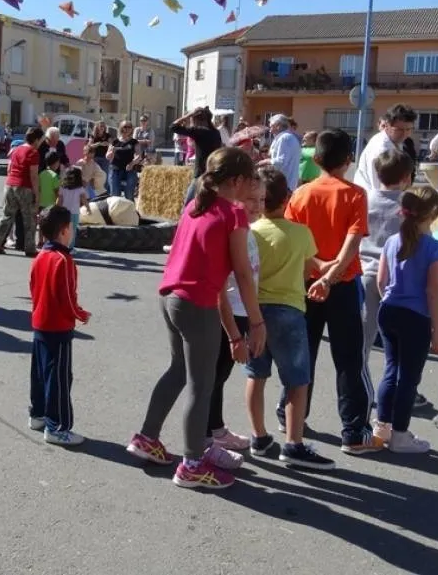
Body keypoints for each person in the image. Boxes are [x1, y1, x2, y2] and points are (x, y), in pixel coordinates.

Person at [127, 148, 265, 490]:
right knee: (201, 385)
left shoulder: (195, 205)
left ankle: (147, 437)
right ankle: (191, 464)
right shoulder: (233, 214)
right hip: (197, 305)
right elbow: (243, 275)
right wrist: (257, 323)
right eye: (250, 180)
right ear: (236, 181)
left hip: (171, 297)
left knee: (178, 370)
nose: (253, 187)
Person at [282, 128, 383, 455]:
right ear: (348, 159)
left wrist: (318, 269)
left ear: (318, 158)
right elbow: (353, 245)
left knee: (303, 354)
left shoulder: (300, 194)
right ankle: (353, 432)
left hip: (305, 281)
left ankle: (290, 416)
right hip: (342, 284)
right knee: (349, 359)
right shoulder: (355, 194)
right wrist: (332, 273)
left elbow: (293, 242)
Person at [245, 168, 336, 470]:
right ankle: (293, 444)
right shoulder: (300, 233)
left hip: (255, 311)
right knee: (297, 381)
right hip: (289, 310)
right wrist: (331, 267)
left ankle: (258, 436)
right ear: (287, 198)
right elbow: (312, 266)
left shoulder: (251, 232)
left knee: (256, 376)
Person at [374, 186, 438, 453]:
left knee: (391, 370)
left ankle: (382, 427)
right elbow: (433, 291)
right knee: (408, 377)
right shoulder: (436, 249)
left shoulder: (392, 241)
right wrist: (437, 331)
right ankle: (400, 435)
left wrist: (390, 299)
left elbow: (382, 280)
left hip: (389, 310)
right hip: (415, 317)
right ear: (433, 214)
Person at [205, 174, 262, 468]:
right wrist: (245, 330)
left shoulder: (248, 230)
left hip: (238, 311)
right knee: (213, 376)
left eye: (262, 200)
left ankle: (215, 429)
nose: (257, 205)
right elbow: (230, 281)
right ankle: (207, 439)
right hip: (228, 312)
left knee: (220, 375)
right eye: (252, 199)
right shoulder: (234, 229)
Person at [27, 206, 91, 446]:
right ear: (65, 231)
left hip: (40, 322)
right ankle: (58, 427)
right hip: (58, 326)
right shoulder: (63, 260)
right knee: (59, 378)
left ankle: (38, 414)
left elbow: (33, 288)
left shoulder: (40, 256)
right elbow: (67, 297)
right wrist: (80, 314)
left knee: (41, 373)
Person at [359, 150, 414, 393]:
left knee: (363, 342)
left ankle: (360, 389)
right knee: (399, 345)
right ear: (406, 177)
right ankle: (395, 392)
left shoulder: (364, 199)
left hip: (364, 272)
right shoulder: (409, 206)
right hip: (398, 279)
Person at [0, 127, 43, 257]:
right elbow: (34, 175)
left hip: (10, 184)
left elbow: (10, 168)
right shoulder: (33, 152)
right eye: (40, 140)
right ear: (36, 139)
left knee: (7, 215)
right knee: (29, 218)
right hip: (24, 186)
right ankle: (30, 247)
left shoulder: (17, 149)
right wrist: (37, 194)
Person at [354, 103, 416, 191]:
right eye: (399, 130)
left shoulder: (395, 141)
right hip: (371, 198)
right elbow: (377, 187)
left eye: (409, 129)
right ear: (387, 126)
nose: (405, 134)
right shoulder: (381, 149)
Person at [169, 107, 223, 205]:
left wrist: (189, 114)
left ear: (197, 119)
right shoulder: (215, 132)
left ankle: (184, 220)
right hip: (213, 173)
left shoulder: (199, 131)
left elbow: (173, 126)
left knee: (188, 203)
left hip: (200, 174)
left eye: (192, 120)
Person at [258, 114, 301, 191]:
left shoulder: (284, 138)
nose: (270, 130)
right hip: (284, 184)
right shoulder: (284, 137)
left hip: (285, 185)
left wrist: (266, 161)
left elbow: (281, 162)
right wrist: (269, 158)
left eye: (271, 126)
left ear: (278, 126)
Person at [56, 166, 88, 252]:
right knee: (72, 231)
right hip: (74, 213)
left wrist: (56, 208)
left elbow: (60, 199)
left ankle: (62, 245)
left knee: (63, 229)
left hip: (63, 212)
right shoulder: (80, 188)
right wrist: (88, 208)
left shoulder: (62, 187)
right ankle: (70, 247)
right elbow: (83, 199)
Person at [106, 121, 138, 200]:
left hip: (130, 170)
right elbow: (107, 156)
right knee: (115, 196)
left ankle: (130, 212)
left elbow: (139, 156)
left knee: (129, 195)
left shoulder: (134, 142)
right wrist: (111, 152)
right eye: (125, 127)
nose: (127, 129)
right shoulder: (115, 141)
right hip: (115, 170)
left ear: (131, 129)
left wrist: (132, 163)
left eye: (129, 127)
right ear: (121, 128)